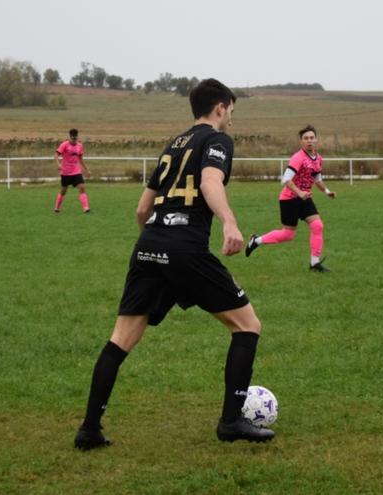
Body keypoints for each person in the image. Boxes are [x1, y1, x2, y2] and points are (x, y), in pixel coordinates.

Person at [74, 79, 274, 450]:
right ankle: (231, 422)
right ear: (219, 107)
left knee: (120, 340)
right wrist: (229, 222)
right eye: (231, 108)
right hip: (185, 248)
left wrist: (153, 243)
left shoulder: (174, 143)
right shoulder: (217, 140)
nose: (231, 116)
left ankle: (88, 429)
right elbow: (211, 182)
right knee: (248, 326)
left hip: (149, 244)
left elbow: (142, 208)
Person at [244, 124, 336, 272]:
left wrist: (327, 191)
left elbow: (317, 179)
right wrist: (299, 192)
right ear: (301, 141)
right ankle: (257, 240)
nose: (309, 141)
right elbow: (285, 179)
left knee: (318, 226)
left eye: (312, 138)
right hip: (289, 199)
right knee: (288, 234)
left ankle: (314, 263)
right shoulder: (298, 158)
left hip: (305, 198)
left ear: (316, 139)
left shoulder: (318, 158)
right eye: (306, 138)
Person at [54, 129, 91, 213]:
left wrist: (87, 170)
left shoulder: (80, 146)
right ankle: (57, 207)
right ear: (70, 137)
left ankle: (86, 208)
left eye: (75, 138)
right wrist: (58, 164)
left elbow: (80, 159)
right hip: (66, 172)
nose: (74, 140)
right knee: (64, 190)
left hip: (76, 171)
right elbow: (56, 154)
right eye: (72, 138)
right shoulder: (64, 145)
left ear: (77, 137)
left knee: (82, 187)